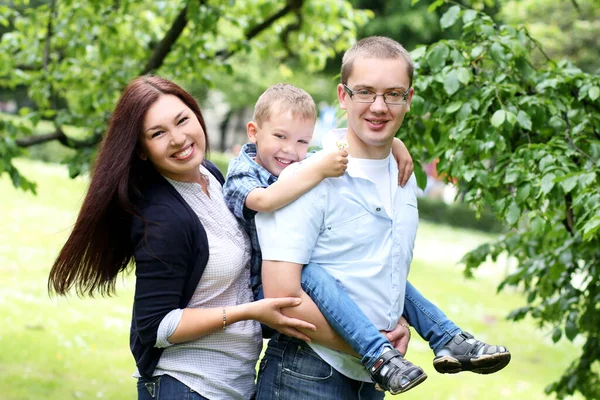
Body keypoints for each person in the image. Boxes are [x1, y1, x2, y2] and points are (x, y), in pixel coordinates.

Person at [254, 36, 511, 400]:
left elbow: (377, 271)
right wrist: (373, 343)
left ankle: (449, 338)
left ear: (409, 98)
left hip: (374, 380)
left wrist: (395, 321)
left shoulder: (403, 175)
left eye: (393, 94)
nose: (379, 106)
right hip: (306, 373)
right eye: (365, 92)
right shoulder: (308, 178)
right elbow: (281, 298)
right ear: (343, 97)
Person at [47, 76, 317, 400]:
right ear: (143, 150)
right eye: (158, 133)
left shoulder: (211, 177)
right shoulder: (163, 218)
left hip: (231, 385)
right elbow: (156, 326)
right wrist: (250, 312)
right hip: (187, 386)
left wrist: (394, 148)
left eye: (182, 120)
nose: (177, 138)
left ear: (196, 115)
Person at [223, 83, 427, 395]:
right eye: (280, 136)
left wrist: (394, 144)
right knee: (316, 272)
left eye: (303, 141)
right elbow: (264, 201)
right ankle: (377, 351)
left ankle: (444, 335)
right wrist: (317, 170)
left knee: (389, 271)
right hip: (264, 289)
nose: (291, 150)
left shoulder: (300, 165)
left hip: (307, 282)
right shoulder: (243, 172)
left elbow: (348, 145)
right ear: (253, 132)